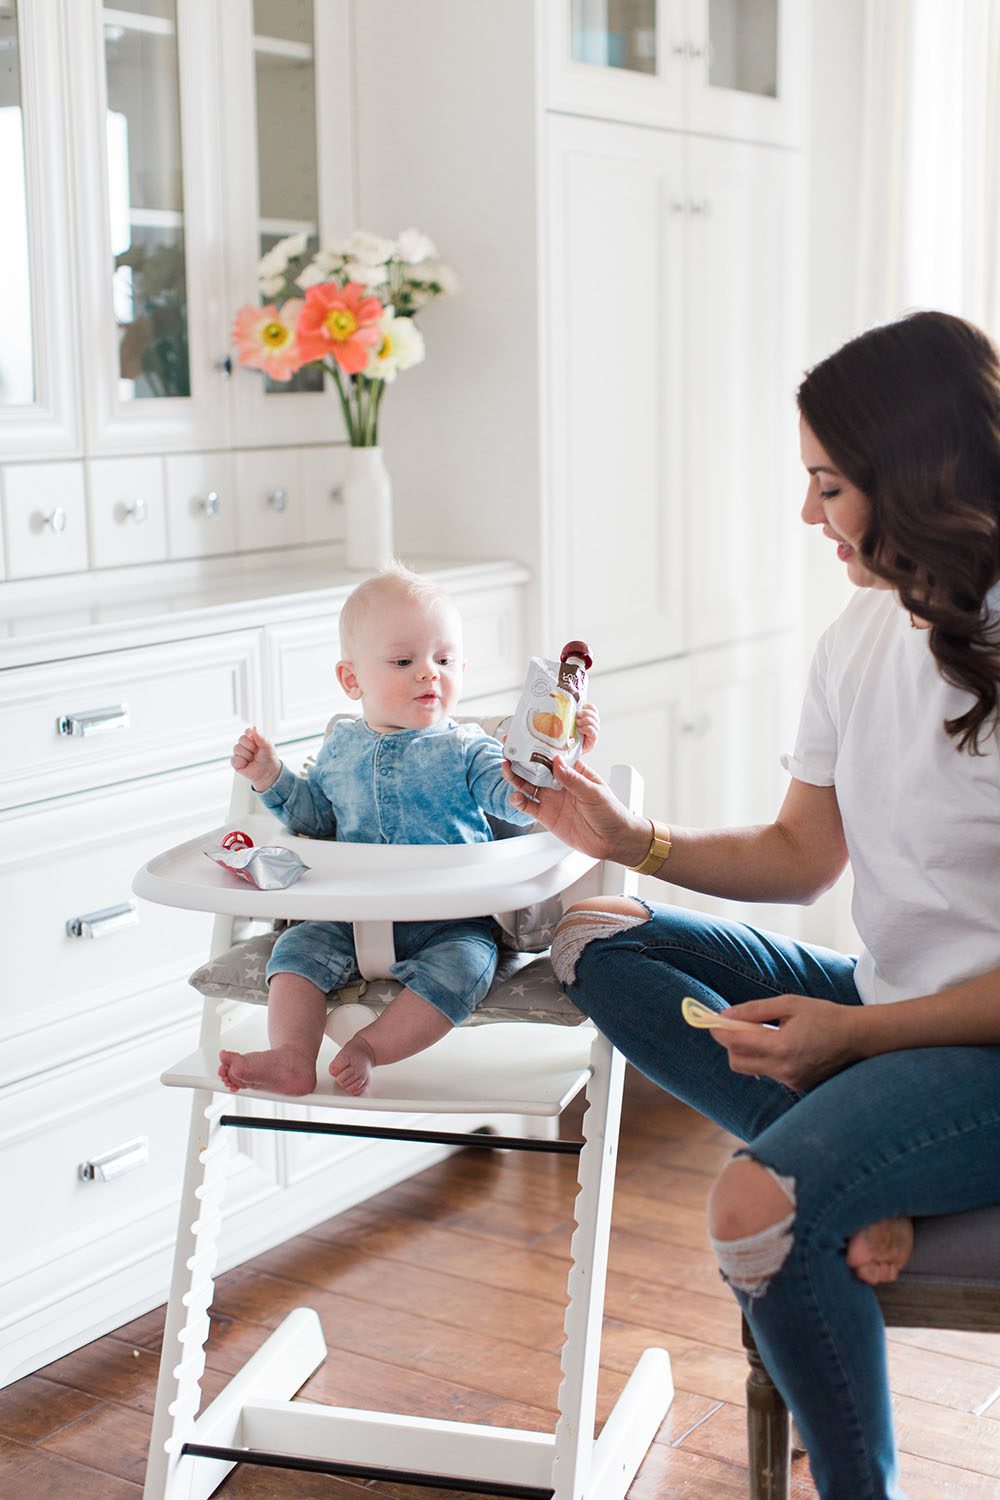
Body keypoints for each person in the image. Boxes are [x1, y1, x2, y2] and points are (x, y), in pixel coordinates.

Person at [503, 310, 1000, 1500]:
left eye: (827, 485)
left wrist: (858, 1038)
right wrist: (633, 840)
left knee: (749, 1207)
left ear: (913, 477)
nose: (806, 515)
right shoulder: (857, 634)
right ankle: (847, 1166)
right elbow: (800, 851)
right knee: (594, 940)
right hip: (891, 1014)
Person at [218, 564, 599, 1098]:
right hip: (350, 915)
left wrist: (558, 755)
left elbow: (518, 801)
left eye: (444, 660)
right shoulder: (340, 748)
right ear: (352, 680)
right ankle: (292, 1056)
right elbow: (315, 823)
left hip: (449, 919)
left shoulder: (468, 748)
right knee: (295, 950)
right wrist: (271, 778)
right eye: (404, 661)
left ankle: (372, 1046)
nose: (429, 673)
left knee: (469, 967)